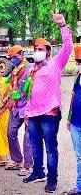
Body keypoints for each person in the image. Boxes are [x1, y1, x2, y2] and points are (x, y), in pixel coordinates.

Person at [22, 14, 73, 193]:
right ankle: (37, 172)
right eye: (36, 48)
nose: (38, 51)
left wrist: (63, 26)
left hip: (50, 113)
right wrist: (27, 113)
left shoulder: (56, 64)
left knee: (51, 147)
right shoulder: (32, 69)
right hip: (33, 114)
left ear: (48, 52)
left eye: (41, 48)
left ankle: (52, 180)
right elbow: (29, 94)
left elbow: (67, 48)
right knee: (35, 144)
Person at [3, 45, 33, 176]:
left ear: (22, 54)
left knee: (28, 137)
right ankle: (17, 160)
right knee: (11, 132)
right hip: (15, 107)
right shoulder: (14, 70)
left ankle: (28, 165)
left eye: (15, 57)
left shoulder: (30, 68)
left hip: (28, 107)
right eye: (11, 58)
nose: (13, 59)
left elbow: (33, 89)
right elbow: (10, 86)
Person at [66, 46, 81, 195]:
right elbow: (73, 97)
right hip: (76, 123)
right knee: (79, 157)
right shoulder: (77, 76)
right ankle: (79, 187)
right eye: (77, 61)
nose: (79, 64)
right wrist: (69, 118)